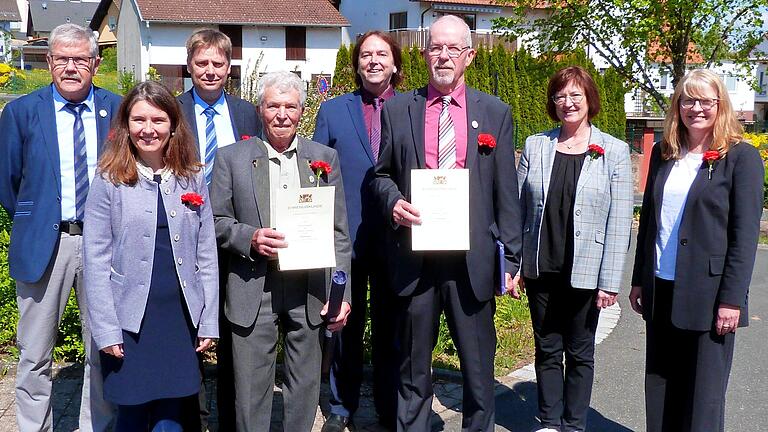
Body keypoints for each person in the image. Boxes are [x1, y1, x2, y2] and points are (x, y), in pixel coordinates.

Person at [371, 15, 522, 432]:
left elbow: (505, 193)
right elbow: (379, 175)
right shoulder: (399, 109)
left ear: (469, 56)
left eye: (453, 48)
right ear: (424, 54)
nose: (443, 55)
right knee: (413, 369)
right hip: (416, 259)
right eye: (436, 47)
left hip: (470, 260)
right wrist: (394, 203)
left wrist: (510, 260)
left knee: (478, 371)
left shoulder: (495, 112)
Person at [210, 71, 352, 432]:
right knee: (251, 388)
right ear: (260, 109)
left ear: (302, 111)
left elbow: (338, 232)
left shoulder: (323, 158)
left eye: (290, 106)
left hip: (309, 286)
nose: (282, 114)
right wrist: (250, 237)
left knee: (304, 383)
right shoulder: (232, 158)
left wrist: (342, 294)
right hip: (253, 283)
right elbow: (215, 220)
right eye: (273, 106)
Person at [0, 23, 120, 432]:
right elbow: (9, 183)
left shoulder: (117, 109)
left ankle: (96, 426)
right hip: (43, 243)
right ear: (49, 62)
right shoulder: (20, 112)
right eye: (62, 59)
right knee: (34, 353)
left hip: (104, 245)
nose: (71, 67)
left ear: (96, 64)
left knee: (103, 348)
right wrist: (40, 221)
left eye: (80, 59)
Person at [629, 69, 764, 432]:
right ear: (678, 106)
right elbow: (650, 222)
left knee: (703, 397)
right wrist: (640, 278)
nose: (696, 108)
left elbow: (745, 236)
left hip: (710, 294)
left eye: (706, 101)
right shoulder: (664, 152)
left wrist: (732, 300)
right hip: (662, 285)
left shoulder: (741, 158)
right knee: (660, 386)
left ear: (720, 106)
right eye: (688, 100)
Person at [83, 80, 219, 431]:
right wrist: (107, 330)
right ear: (126, 126)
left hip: (178, 317)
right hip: (129, 319)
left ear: (173, 125)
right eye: (139, 120)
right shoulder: (108, 179)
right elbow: (95, 261)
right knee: (131, 411)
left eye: (158, 120)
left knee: (172, 413)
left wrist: (208, 321)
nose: (148, 130)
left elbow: (206, 254)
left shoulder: (193, 178)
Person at [515, 66, 633, 432]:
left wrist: (610, 281)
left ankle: (574, 424)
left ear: (589, 101)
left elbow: (620, 220)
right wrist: (515, 264)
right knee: (547, 348)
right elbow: (518, 210)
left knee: (580, 351)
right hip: (541, 266)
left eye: (575, 96)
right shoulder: (537, 145)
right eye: (560, 96)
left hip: (586, 271)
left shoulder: (612, 150)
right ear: (553, 103)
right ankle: (549, 422)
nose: (567, 103)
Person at [313, 30, 401, 432]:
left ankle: (388, 407)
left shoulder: (412, 109)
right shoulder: (333, 111)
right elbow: (316, 173)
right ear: (357, 64)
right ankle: (341, 406)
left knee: (390, 326)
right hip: (344, 236)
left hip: (396, 239)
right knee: (344, 324)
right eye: (366, 55)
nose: (373, 61)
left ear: (395, 62)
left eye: (381, 54)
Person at [176, 27, 262, 431]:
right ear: (189, 66)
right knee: (189, 330)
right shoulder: (172, 111)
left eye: (218, 64)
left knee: (234, 331)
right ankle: (195, 416)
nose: (210, 71)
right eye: (202, 63)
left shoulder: (247, 114)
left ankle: (230, 419)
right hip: (185, 238)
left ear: (230, 67)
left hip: (235, 238)